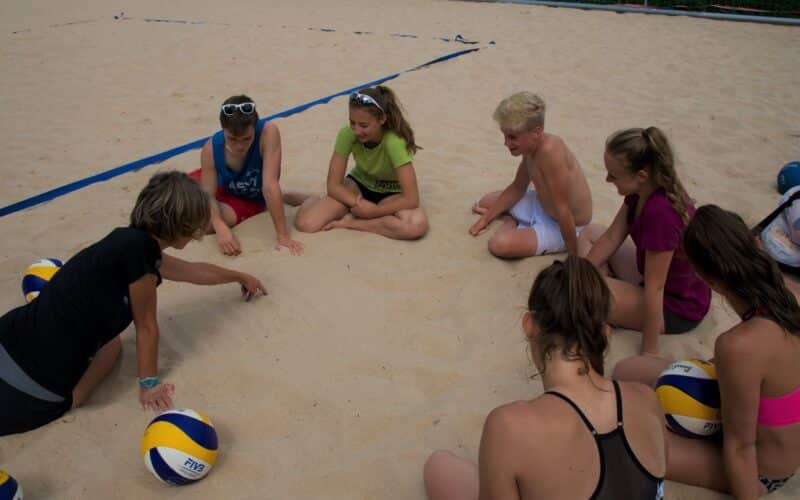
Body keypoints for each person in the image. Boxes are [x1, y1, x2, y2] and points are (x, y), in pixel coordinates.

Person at [0, 171, 267, 436]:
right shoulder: (140, 255)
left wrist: (239, 276)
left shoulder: (127, 242)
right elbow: (147, 327)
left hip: (13, 333)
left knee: (112, 345)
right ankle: (72, 399)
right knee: (91, 371)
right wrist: (148, 384)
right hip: (33, 382)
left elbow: (193, 271)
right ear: (180, 226)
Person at [423, 256, 666, 500]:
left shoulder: (508, 427)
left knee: (441, 467)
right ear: (605, 331)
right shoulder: (646, 399)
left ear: (529, 325)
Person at [614, 205, 800, 498]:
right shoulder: (785, 295)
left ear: (708, 280)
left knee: (627, 435)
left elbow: (740, 447)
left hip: (760, 471)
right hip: (763, 425)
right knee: (629, 370)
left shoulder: (738, 345)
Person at [577, 127, 710, 355]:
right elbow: (611, 237)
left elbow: (655, 288)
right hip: (652, 278)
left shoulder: (661, 213)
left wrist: (649, 351)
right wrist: (578, 274)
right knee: (590, 234)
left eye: (614, 175)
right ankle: (604, 302)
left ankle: (604, 309)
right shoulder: (640, 191)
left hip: (674, 306)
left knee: (582, 293)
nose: (607, 179)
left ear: (641, 175)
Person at [294, 86, 428, 239]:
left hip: (391, 193)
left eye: (364, 125)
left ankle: (350, 223)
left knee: (415, 227)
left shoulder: (394, 142)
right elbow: (333, 186)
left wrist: (373, 211)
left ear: (382, 119)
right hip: (358, 186)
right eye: (352, 123)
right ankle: (310, 200)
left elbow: (411, 198)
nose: (356, 131)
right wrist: (357, 202)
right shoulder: (347, 133)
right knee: (306, 224)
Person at [469, 92, 592, 257]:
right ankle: (517, 220)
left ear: (536, 132)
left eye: (512, 137)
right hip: (542, 205)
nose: (506, 143)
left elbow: (564, 209)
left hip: (566, 225)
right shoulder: (530, 148)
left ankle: (511, 221)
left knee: (499, 245)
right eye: (505, 136)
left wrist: (573, 256)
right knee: (483, 202)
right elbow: (517, 187)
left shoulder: (551, 151)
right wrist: (484, 221)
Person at [190, 95, 311, 256]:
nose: (240, 146)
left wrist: (283, 236)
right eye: (232, 139)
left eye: (246, 139)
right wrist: (221, 228)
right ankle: (283, 197)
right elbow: (208, 195)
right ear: (223, 130)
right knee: (172, 199)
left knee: (198, 224)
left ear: (254, 127)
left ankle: (282, 198)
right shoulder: (210, 149)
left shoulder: (268, 132)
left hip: (248, 197)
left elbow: (269, 185)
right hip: (218, 182)